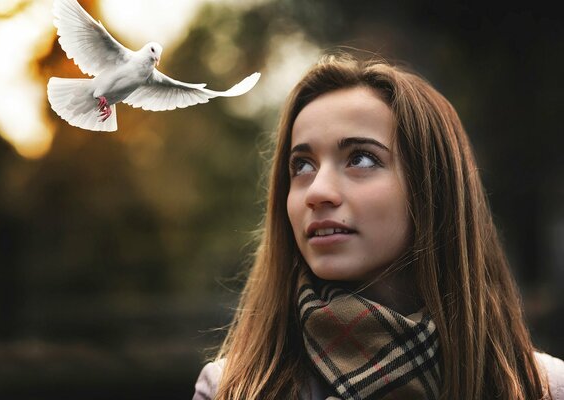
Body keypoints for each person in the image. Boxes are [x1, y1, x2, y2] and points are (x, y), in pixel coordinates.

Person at [192, 54, 564, 400]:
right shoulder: (231, 389)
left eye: (361, 158)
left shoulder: (544, 388)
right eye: (302, 166)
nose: (317, 191)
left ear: (432, 189)